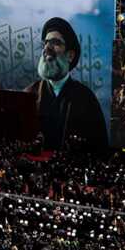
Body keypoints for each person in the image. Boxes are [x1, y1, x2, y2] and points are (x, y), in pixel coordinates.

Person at [24, 17, 108, 150]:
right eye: (45, 43)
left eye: (55, 43)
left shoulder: (86, 99)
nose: (47, 49)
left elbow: (99, 149)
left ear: (70, 55)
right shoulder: (28, 95)